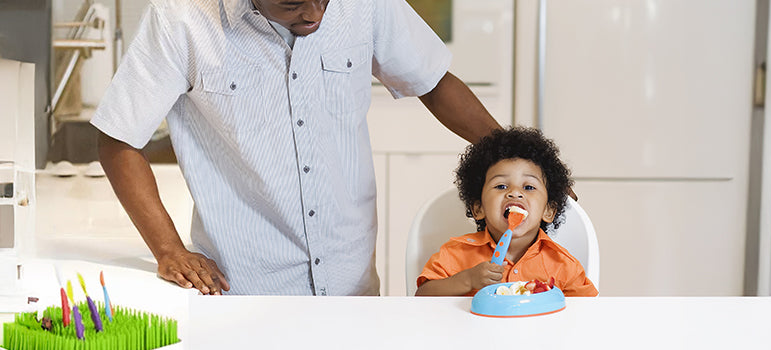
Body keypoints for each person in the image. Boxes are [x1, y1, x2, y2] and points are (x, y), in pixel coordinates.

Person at [91, 0, 501, 295]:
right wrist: (168, 250)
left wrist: (517, 155)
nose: (316, 13)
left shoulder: (365, 6)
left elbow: (432, 81)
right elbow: (117, 136)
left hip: (350, 289)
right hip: (243, 292)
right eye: (293, 5)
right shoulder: (180, 18)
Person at [415, 127, 598, 297]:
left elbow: (588, 315)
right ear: (478, 208)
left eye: (528, 187)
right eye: (501, 186)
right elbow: (422, 297)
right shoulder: (455, 254)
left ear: (548, 211)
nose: (515, 192)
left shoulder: (563, 264)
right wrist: (467, 280)